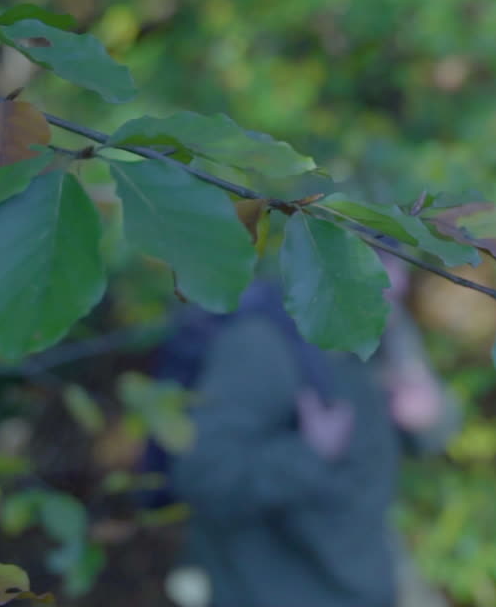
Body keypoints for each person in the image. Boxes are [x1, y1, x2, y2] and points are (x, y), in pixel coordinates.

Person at [168, 255, 455, 607]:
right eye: (376, 258)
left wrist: (432, 416)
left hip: (368, 584)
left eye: (398, 260)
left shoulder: (385, 322)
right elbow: (203, 477)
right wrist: (308, 455)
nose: (398, 281)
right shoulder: (258, 346)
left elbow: (434, 428)